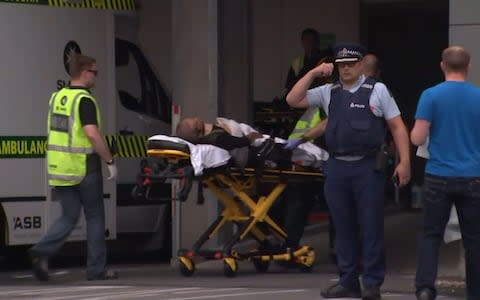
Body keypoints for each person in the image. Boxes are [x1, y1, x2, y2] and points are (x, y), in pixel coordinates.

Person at [286, 43, 411, 299]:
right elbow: (293, 99)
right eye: (341, 65)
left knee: (371, 225)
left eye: (350, 64)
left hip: (367, 167)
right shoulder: (329, 91)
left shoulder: (377, 90)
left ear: (361, 64)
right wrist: (313, 73)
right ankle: (348, 280)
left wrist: (405, 161)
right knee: (342, 226)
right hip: (338, 166)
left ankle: (373, 282)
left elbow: (397, 127)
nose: (345, 69)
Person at [28, 54, 118, 281]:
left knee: (68, 216)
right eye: (94, 72)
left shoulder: (57, 97)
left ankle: (42, 250)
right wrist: (109, 160)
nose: (96, 77)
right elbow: (91, 134)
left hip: (60, 167)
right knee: (95, 216)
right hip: (84, 166)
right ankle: (96, 270)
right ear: (84, 72)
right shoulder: (84, 100)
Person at [410, 46, 480, 300]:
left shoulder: (431, 95)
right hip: (473, 176)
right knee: (474, 239)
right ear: (468, 67)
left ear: (443, 65)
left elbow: (417, 137)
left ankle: (426, 288)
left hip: (438, 175)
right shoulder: (478, 96)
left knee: (431, 234)